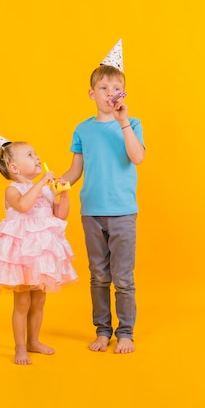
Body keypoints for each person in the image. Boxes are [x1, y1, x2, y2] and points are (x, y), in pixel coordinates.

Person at [62, 40, 145, 354]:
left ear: (123, 94)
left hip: (123, 212)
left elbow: (137, 157)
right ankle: (102, 331)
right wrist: (58, 182)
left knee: (122, 277)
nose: (110, 93)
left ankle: (126, 333)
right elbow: (75, 171)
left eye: (116, 88)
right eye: (104, 87)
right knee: (98, 275)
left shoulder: (132, 124)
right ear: (92, 93)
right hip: (92, 212)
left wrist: (124, 122)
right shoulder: (82, 130)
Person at [0, 127, 78, 365]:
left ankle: (34, 341)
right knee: (22, 302)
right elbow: (23, 206)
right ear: (14, 168)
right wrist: (43, 182)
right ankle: (20, 347)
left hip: (41, 254)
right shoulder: (12, 189)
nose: (37, 158)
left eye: (36, 154)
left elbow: (61, 215)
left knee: (40, 301)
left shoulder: (44, 189)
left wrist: (62, 194)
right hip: (21, 255)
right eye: (31, 155)